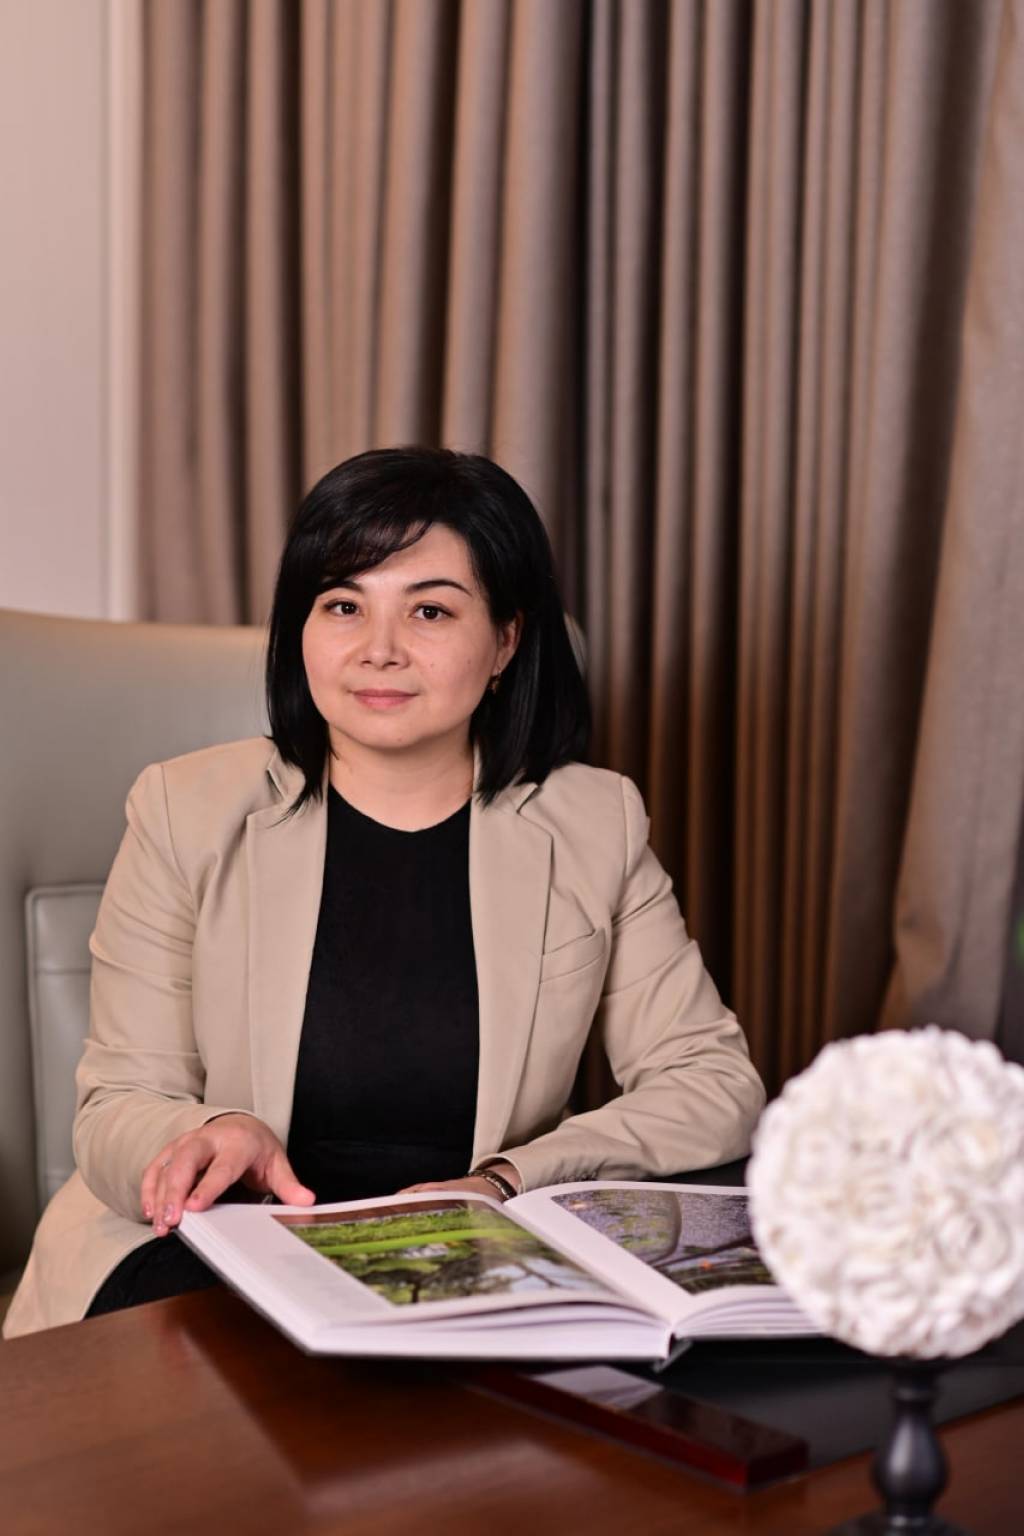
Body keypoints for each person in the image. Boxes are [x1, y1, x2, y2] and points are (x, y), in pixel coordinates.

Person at [3, 448, 765, 1337]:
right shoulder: (185, 809)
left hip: (467, 1259)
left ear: (505, 641)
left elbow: (711, 1082)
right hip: (210, 1249)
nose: (379, 649)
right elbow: (117, 1104)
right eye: (343, 605)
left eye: (430, 610)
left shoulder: (594, 824)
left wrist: (507, 1180)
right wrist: (209, 1134)